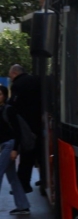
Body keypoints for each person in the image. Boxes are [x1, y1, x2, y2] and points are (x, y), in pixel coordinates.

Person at [7, 64, 43, 194]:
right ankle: (44, 180)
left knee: (27, 156)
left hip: (26, 125)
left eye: (10, 75)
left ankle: (23, 184)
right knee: (41, 154)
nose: (10, 78)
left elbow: (13, 104)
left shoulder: (18, 84)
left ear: (14, 73)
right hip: (40, 123)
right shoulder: (36, 80)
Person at [0, 85, 31, 215]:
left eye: (0, 94)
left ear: (5, 96)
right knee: (12, 177)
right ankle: (23, 205)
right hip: (3, 145)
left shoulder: (9, 110)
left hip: (9, 145)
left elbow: (17, 131)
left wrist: (14, 149)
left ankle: (22, 205)